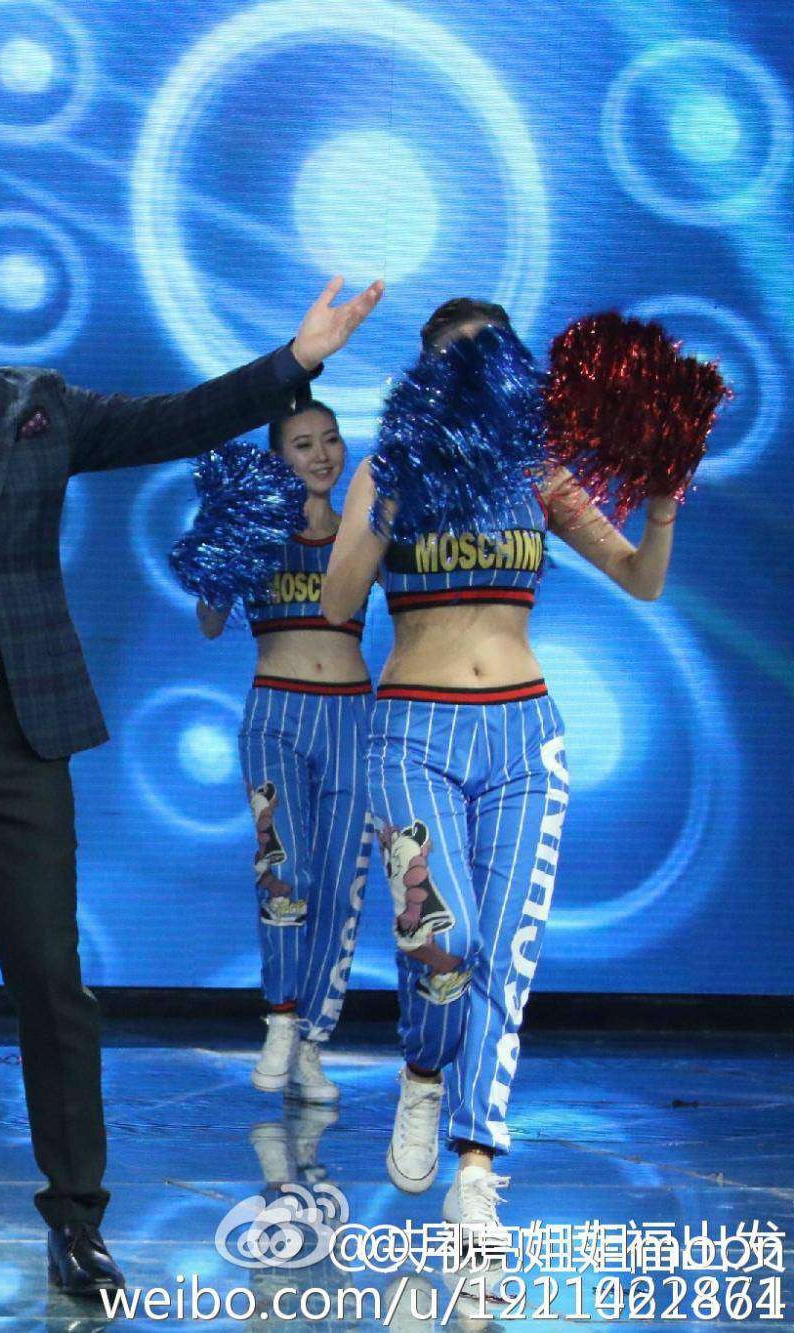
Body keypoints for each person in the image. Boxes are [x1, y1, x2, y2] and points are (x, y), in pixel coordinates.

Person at [0, 195, 381, 1298]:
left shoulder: (39, 405)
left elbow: (178, 420)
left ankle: (77, 1219)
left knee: (53, 984)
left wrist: (295, 362)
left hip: (28, 734)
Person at [320, 296, 677, 1274]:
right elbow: (339, 600)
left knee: (505, 954)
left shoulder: (536, 471)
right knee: (443, 938)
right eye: (452, 355)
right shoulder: (388, 469)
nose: (471, 368)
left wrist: (659, 504)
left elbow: (640, 578)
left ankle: (475, 1166)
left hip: (523, 736)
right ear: (422, 373)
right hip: (412, 732)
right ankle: (421, 1066)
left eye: (487, 352)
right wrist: (386, 497)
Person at [196, 403, 371, 1102]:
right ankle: (279, 1017)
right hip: (275, 715)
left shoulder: (364, 533)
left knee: (341, 885)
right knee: (283, 868)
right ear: (279, 458)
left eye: (331, 440)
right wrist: (222, 538)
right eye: (303, 444)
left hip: (353, 718)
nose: (322, 454)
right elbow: (210, 624)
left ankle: (312, 1043)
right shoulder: (257, 531)